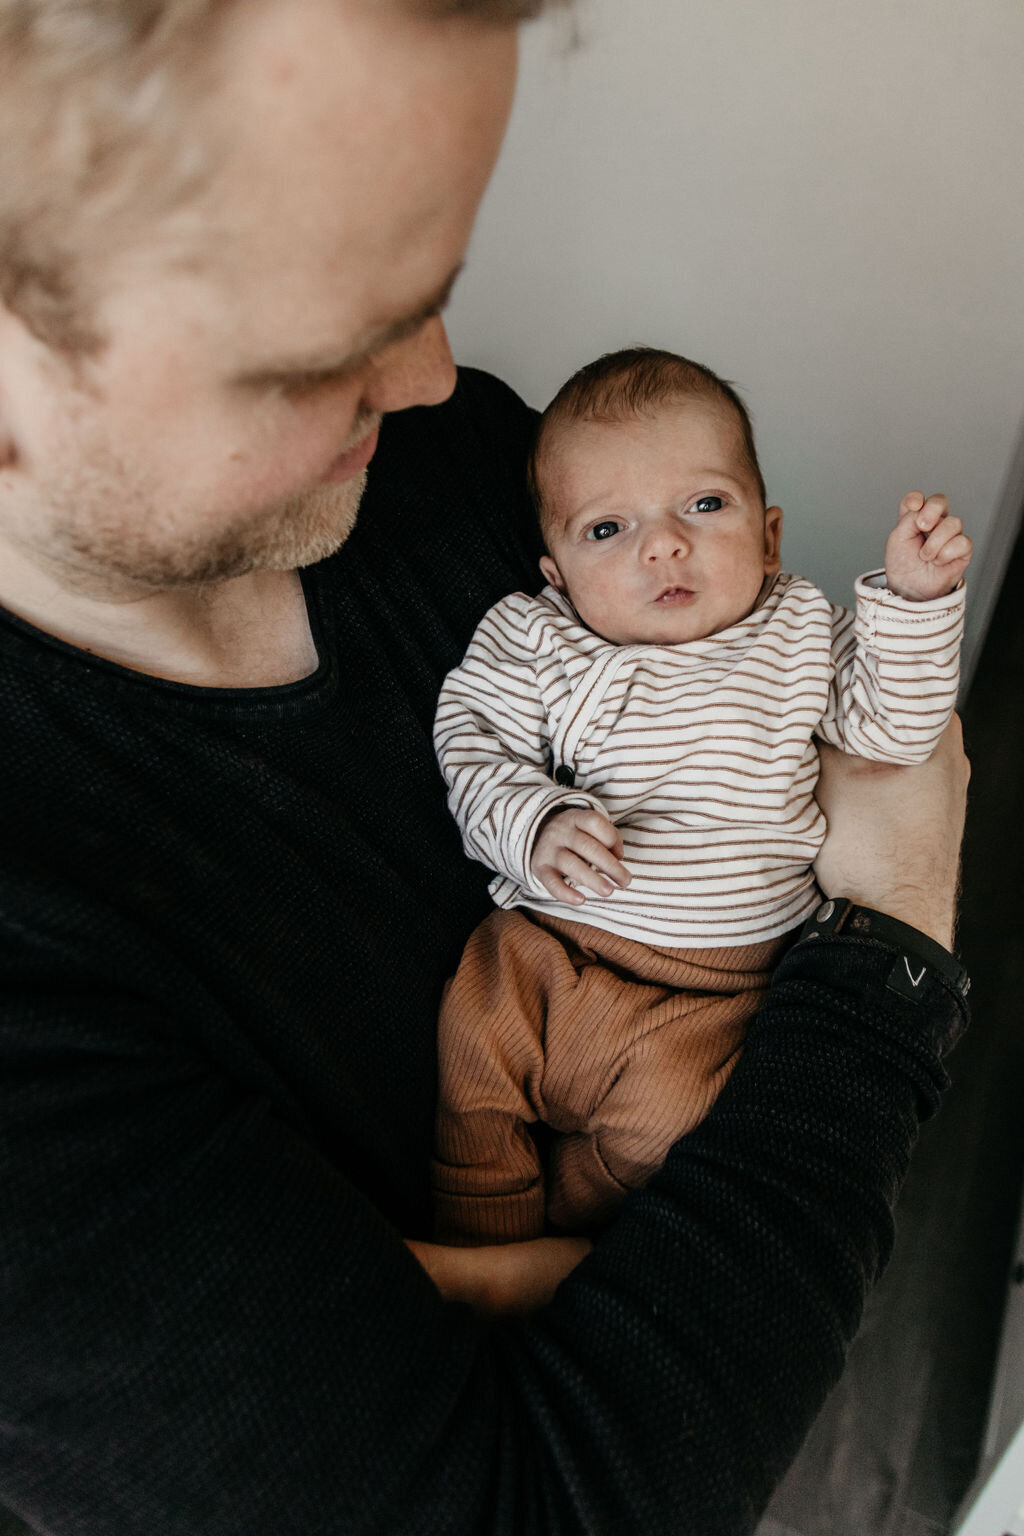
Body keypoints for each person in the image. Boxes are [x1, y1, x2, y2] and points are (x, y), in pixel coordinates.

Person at [0, 3, 969, 1534]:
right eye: (325, 345)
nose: (441, 378)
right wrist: (901, 925)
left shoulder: (444, 465)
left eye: (437, 286)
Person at [432, 348, 971, 1245]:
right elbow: (470, 743)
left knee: (670, 1130)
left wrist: (916, 605)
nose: (663, 544)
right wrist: (533, 821)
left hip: (714, 992)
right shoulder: (532, 636)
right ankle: (480, 1222)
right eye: (607, 529)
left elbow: (891, 731)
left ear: (769, 537)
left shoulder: (798, 630)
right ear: (557, 572)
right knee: (470, 1049)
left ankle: (564, 1229)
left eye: (704, 505)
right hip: (546, 947)